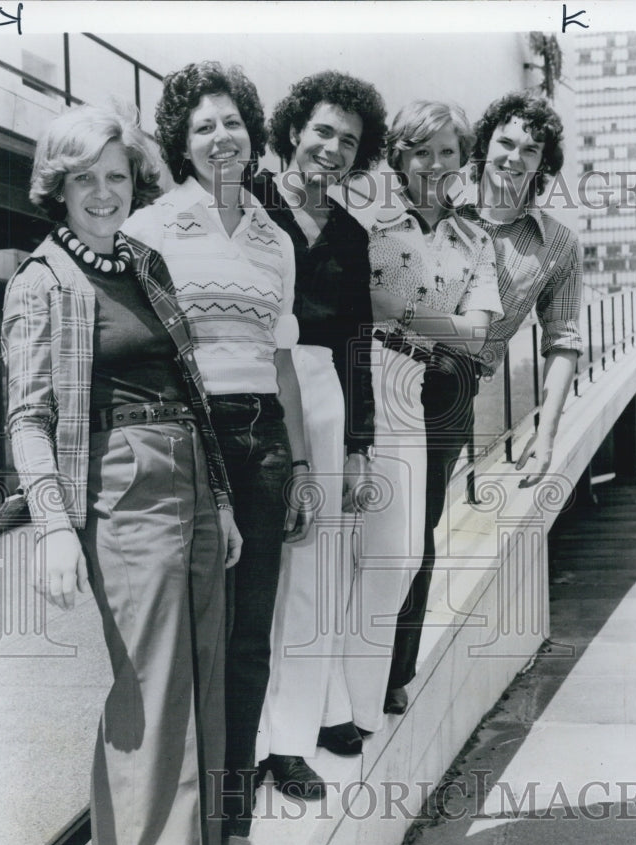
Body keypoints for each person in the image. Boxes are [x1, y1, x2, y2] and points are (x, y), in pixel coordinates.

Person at [3, 102, 241, 845]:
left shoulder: (144, 263)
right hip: (121, 480)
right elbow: (28, 417)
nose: (103, 192)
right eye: (84, 179)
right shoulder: (42, 281)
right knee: (153, 691)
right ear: (58, 187)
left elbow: (191, 385)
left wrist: (225, 502)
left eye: (115, 176)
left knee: (202, 685)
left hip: (195, 480)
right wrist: (54, 529)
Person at [123, 62, 312, 845]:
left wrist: (301, 464)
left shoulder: (277, 240)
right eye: (202, 126)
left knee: (246, 645)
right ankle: (176, 829)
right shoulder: (153, 226)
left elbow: (284, 363)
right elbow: (151, 359)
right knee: (185, 648)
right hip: (188, 443)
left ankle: (231, 821)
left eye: (231, 121)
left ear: (252, 129)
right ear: (181, 140)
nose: (220, 136)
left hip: (265, 440)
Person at [386, 91, 583, 708]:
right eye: (505, 142)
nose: (514, 157)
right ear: (486, 146)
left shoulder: (555, 245)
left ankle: (390, 676)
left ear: (543, 166)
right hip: (384, 363)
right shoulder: (437, 199)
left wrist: (544, 432)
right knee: (361, 518)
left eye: (530, 150)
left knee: (418, 527)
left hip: (454, 380)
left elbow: (564, 340)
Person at [340, 99, 503, 732]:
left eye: (447, 153)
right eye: (420, 152)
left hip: (446, 392)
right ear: (398, 159)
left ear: (463, 161)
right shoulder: (370, 225)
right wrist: (440, 324)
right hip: (378, 378)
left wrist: (405, 316)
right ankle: (348, 670)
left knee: (420, 531)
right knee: (369, 530)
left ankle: (392, 674)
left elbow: (478, 337)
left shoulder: (477, 238)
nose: (434, 164)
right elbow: (365, 304)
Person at [249, 71, 387, 797]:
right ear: (293, 129)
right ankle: (264, 726)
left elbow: (357, 344)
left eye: (349, 141)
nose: (332, 149)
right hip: (254, 390)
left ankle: (295, 734)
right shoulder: (247, 209)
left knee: (317, 572)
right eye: (322, 131)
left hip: (325, 398)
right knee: (262, 577)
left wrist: (360, 446)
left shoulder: (350, 233)